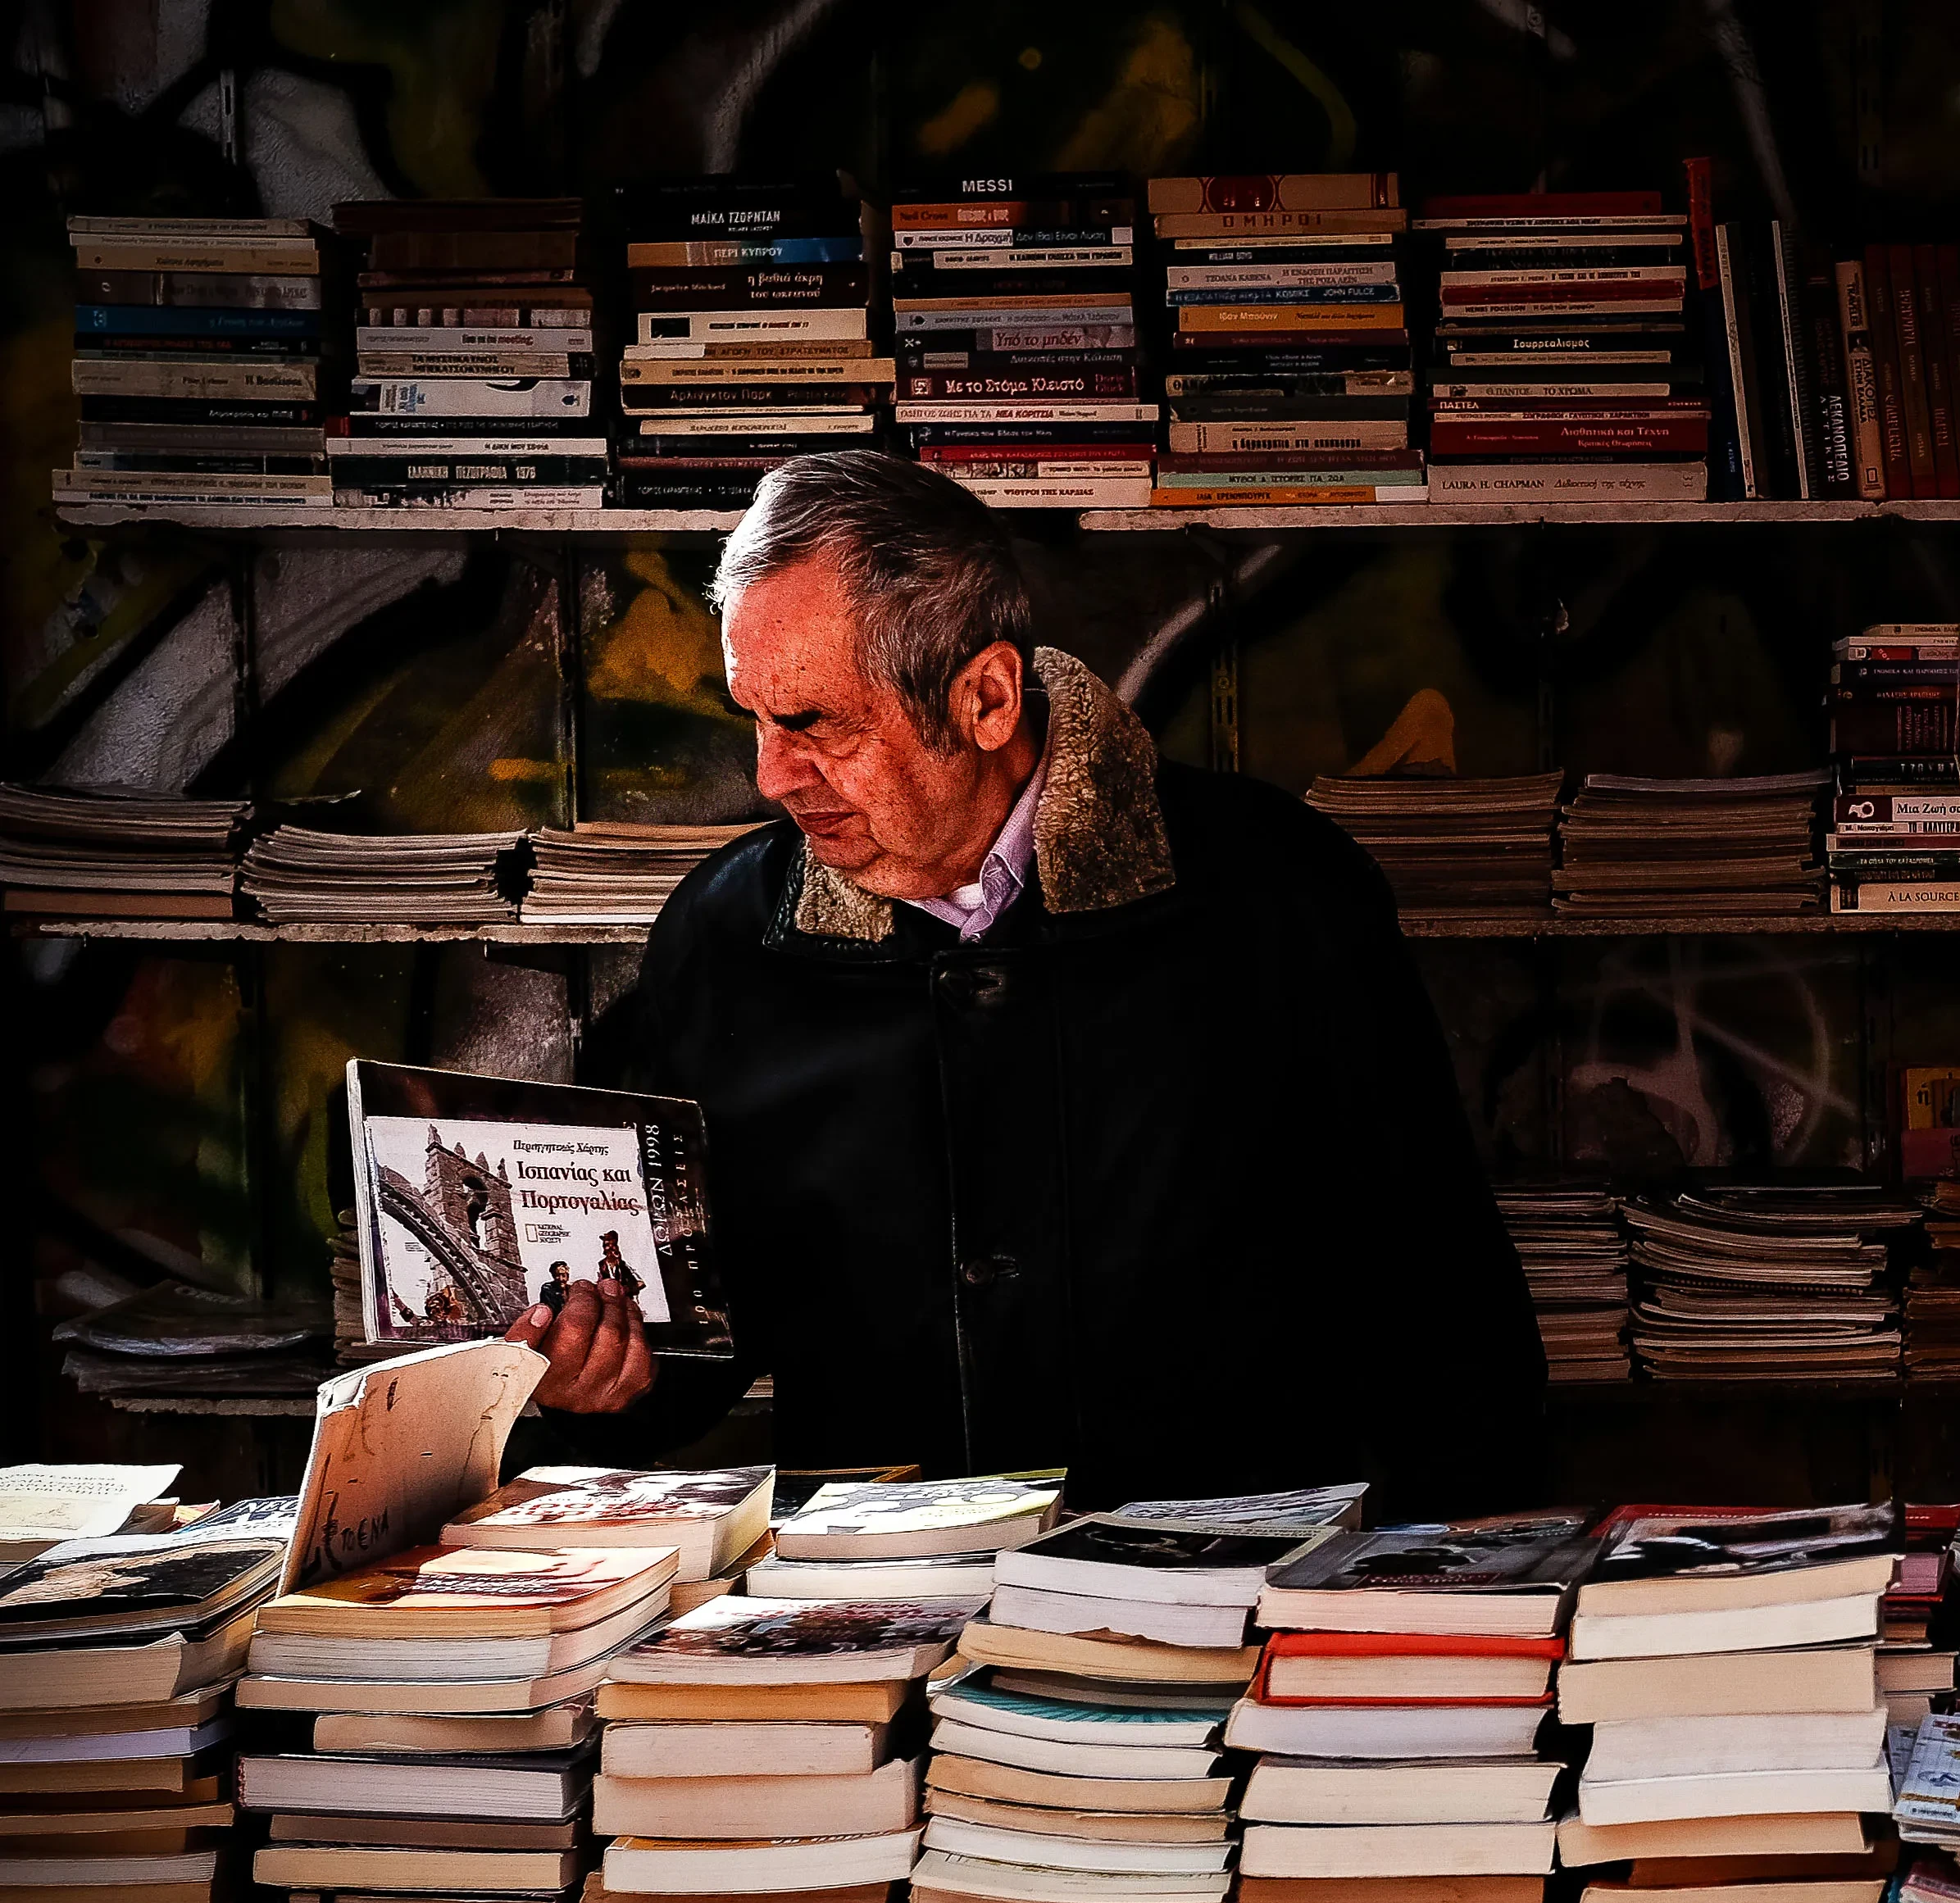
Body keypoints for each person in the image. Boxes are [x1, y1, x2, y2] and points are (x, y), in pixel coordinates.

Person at [511, 450, 1542, 1515]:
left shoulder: (1280, 898)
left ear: (987, 699)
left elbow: (1446, 1325)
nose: (770, 776)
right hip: (874, 1626)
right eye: (756, 719)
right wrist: (603, 1382)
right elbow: (692, 1358)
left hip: (1225, 1607)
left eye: (816, 722)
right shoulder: (723, 935)